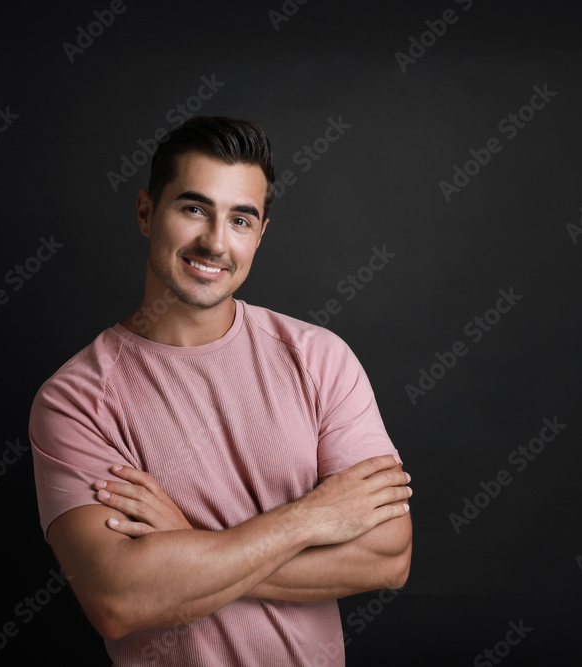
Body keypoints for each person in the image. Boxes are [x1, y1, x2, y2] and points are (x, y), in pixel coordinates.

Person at [29, 116, 412, 666]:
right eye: (193, 209)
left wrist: (187, 540)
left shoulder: (319, 358)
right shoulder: (77, 400)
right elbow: (118, 598)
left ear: (261, 233)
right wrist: (311, 518)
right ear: (145, 212)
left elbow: (388, 556)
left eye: (240, 219)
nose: (214, 241)